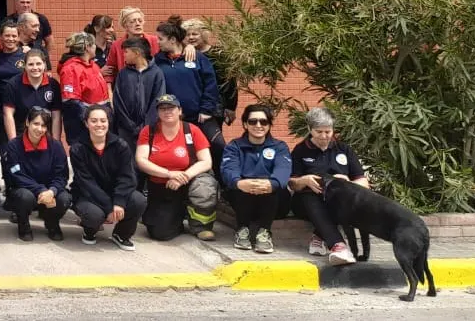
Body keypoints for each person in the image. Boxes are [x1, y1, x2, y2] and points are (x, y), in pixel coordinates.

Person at [288, 107, 369, 266]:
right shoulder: (300, 150)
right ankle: (338, 246)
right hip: (307, 202)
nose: (324, 136)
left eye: (328, 131)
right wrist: (304, 181)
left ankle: (320, 236)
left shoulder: (344, 149)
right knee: (309, 196)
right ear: (310, 130)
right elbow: (291, 184)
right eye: (319, 132)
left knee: (342, 199)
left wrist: (347, 183)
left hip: (337, 200)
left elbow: (363, 183)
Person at [136, 93, 219, 241]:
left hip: (189, 180)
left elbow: (206, 162)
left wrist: (183, 177)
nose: (167, 111)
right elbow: (141, 160)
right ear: (158, 112)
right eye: (163, 108)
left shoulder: (192, 130)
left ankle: (201, 226)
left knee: (204, 187)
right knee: (160, 233)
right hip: (163, 185)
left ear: (180, 110)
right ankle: (179, 214)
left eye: (171, 108)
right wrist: (169, 174)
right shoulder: (148, 131)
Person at [154, 16, 224, 177]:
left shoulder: (197, 57)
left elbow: (210, 84)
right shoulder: (158, 61)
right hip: (173, 119)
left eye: (160, 39)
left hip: (200, 116)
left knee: (218, 146)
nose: (157, 42)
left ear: (172, 40)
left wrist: (206, 109)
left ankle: (224, 188)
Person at [69, 105, 145, 250]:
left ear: (108, 122)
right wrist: (109, 207)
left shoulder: (121, 145)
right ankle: (89, 231)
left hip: (114, 192)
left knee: (138, 200)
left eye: (103, 121)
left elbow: (127, 177)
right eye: (94, 121)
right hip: (87, 195)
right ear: (86, 123)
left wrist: (119, 202)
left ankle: (121, 234)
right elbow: (86, 182)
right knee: (94, 216)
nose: (99, 125)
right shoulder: (77, 148)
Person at [221, 104, 293, 254]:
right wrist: (240, 183)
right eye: (253, 121)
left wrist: (271, 184)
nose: (258, 125)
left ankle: (264, 232)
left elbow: (283, 170)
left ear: (269, 125)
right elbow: (228, 169)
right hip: (243, 199)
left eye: (263, 122)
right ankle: (242, 230)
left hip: (272, 203)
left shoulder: (279, 147)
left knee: (273, 186)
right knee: (237, 186)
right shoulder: (234, 146)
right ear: (245, 124)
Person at [2, 107, 71, 241]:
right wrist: (40, 189)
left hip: (49, 192)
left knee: (64, 199)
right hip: (25, 190)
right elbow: (17, 175)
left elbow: (62, 175)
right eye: (36, 124)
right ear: (27, 123)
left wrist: (52, 191)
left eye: (44, 125)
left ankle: (52, 223)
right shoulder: (14, 146)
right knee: (24, 197)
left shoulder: (56, 146)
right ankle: (23, 224)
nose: (39, 129)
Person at [111, 36, 164, 153]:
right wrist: (129, 125)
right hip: (126, 130)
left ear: (137, 53)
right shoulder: (123, 74)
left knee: (147, 158)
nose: (123, 55)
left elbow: (157, 101)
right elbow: (118, 101)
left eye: (126, 52)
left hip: (149, 129)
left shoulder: (156, 73)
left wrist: (145, 126)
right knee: (127, 161)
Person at [57, 31, 110, 148]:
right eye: (94, 44)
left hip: (96, 126)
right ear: (87, 47)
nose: (96, 47)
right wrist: (92, 120)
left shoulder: (93, 66)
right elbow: (71, 103)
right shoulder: (71, 69)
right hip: (82, 130)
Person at [183, 18, 238, 125]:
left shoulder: (218, 54)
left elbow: (230, 82)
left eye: (195, 34)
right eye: (187, 35)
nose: (191, 37)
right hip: (192, 106)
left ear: (203, 35)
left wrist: (230, 107)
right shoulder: (184, 54)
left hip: (215, 106)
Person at [1, 49, 62, 142]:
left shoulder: (53, 85)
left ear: (44, 65)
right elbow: (8, 114)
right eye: (30, 64)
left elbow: (56, 116)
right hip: (20, 135)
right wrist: (13, 143)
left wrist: (56, 143)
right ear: (24, 66)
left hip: (45, 135)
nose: (35, 67)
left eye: (38, 64)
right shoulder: (13, 84)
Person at [102, 6, 159, 84]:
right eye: (133, 21)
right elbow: (109, 74)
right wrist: (109, 92)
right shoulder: (117, 46)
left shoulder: (155, 41)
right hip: (127, 87)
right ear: (125, 25)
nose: (137, 24)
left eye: (140, 21)